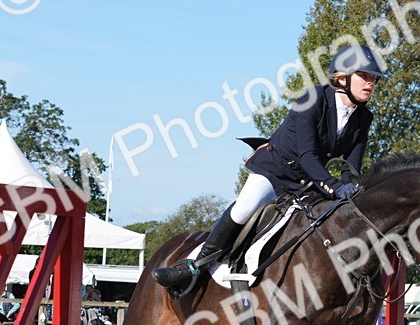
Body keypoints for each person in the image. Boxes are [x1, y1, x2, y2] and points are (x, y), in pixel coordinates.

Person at [152, 44, 385, 291]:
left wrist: (351, 188)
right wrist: (336, 187)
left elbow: (351, 163)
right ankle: (195, 266)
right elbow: (308, 156)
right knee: (244, 208)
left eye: (374, 79)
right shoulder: (312, 99)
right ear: (342, 77)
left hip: (309, 184)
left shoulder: (363, 117)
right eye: (365, 76)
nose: (370, 83)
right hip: (276, 172)